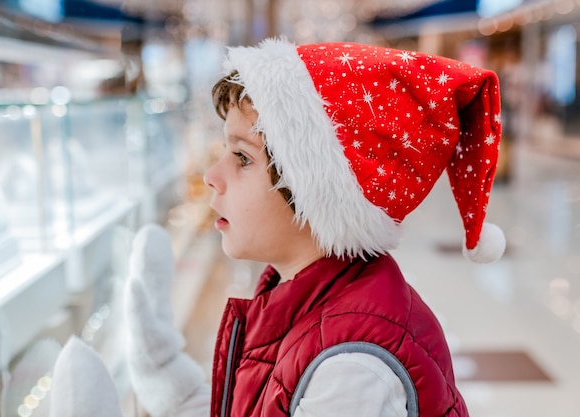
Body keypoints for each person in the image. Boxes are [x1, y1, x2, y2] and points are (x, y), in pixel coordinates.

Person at [123, 38, 506, 417]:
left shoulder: (351, 371)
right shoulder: (298, 298)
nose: (211, 176)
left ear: (317, 186)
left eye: (242, 157)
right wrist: (169, 382)